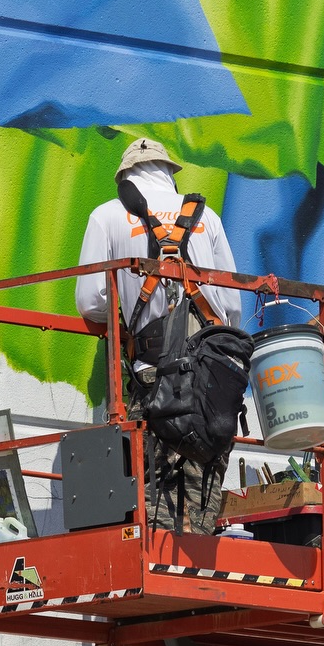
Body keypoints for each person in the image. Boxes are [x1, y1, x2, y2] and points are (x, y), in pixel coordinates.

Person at [76, 136, 243, 533]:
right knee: (202, 487)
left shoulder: (108, 215)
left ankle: (160, 556)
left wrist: (125, 316)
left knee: (153, 491)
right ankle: (198, 555)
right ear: (170, 173)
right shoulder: (209, 218)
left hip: (153, 374)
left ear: (126, 177)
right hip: (211, 377)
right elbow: (232, 307)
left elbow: (89, 302)